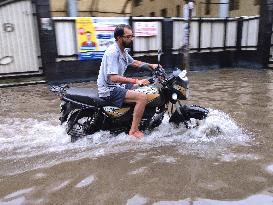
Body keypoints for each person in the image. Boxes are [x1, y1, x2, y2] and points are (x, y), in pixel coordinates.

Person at [97, 24, 158, 138]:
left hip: (117, 86)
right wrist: (136, 81)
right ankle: (133, 131)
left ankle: (133, 119)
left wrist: (152, 65)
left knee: (144, 90)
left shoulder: (123, 51)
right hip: (109, 89)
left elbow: (134, 62)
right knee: (142, 98)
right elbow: (113, 77)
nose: (131, 39)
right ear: (119, 38)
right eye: (128, 36)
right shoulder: (113, 52)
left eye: (132, 36)